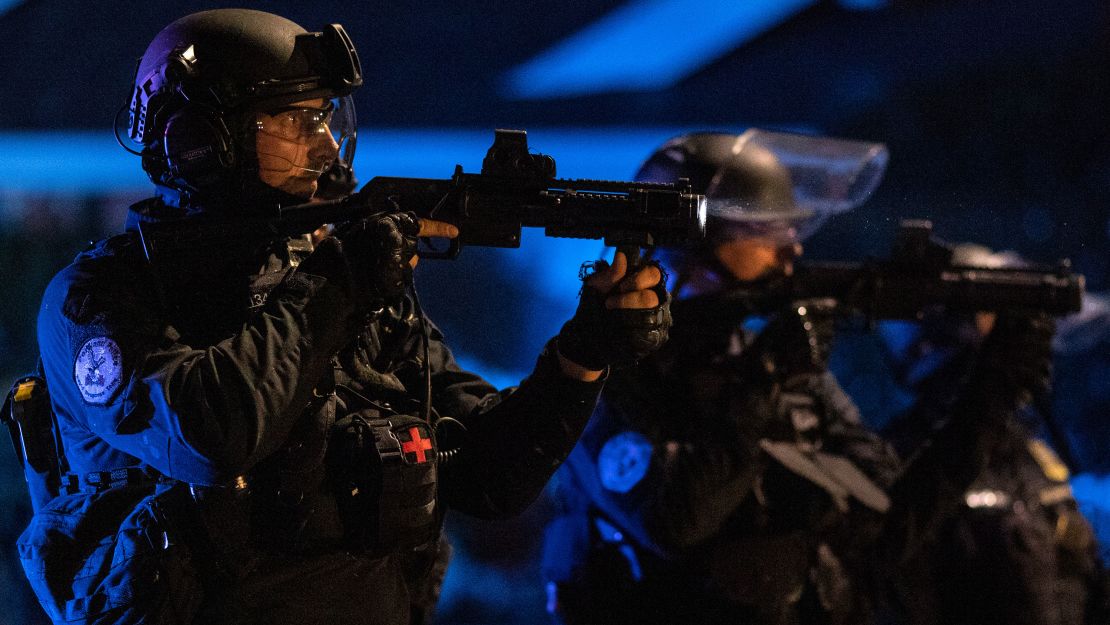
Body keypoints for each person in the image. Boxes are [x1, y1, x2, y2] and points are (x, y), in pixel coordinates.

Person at [19, 9, 670, 625]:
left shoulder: (329, 275)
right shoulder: (102, 297)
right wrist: (338, 283)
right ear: (202, 140)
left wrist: (582, 354)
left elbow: (487, 476)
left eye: (326, 117)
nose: (327, 144)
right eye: (297, 120)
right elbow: (209, 433)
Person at [541, 130, 901, 624]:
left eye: (792, 230)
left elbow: (885, 500)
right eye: (768, 230)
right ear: (693, 240)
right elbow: (675, 521)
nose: (790, 252)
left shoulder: (754, 355)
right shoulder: (607, 370)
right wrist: (762, 383)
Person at [831, 244, 1109, 625]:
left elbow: (1077, 574)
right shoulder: (911, 458)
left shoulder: (1029, 451)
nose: (1023, 334)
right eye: (996, 315)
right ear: (957, 327)